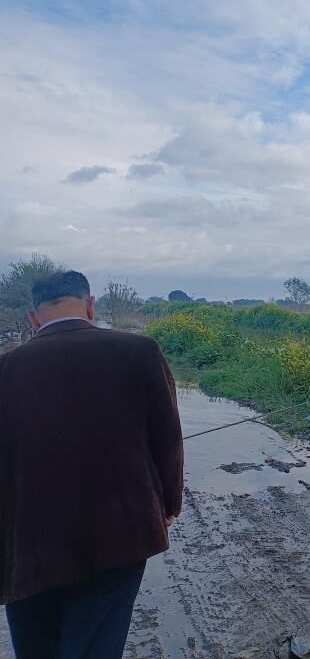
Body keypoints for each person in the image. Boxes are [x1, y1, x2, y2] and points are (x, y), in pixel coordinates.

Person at [0, 271, 184, 659]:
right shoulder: (141, 352)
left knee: (36, 647)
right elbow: (168, 439)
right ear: (90, 305)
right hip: (121, 533)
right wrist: (168, 506)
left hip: (27, 541)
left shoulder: (6, 369)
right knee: (96, 644)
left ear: (33, 318)